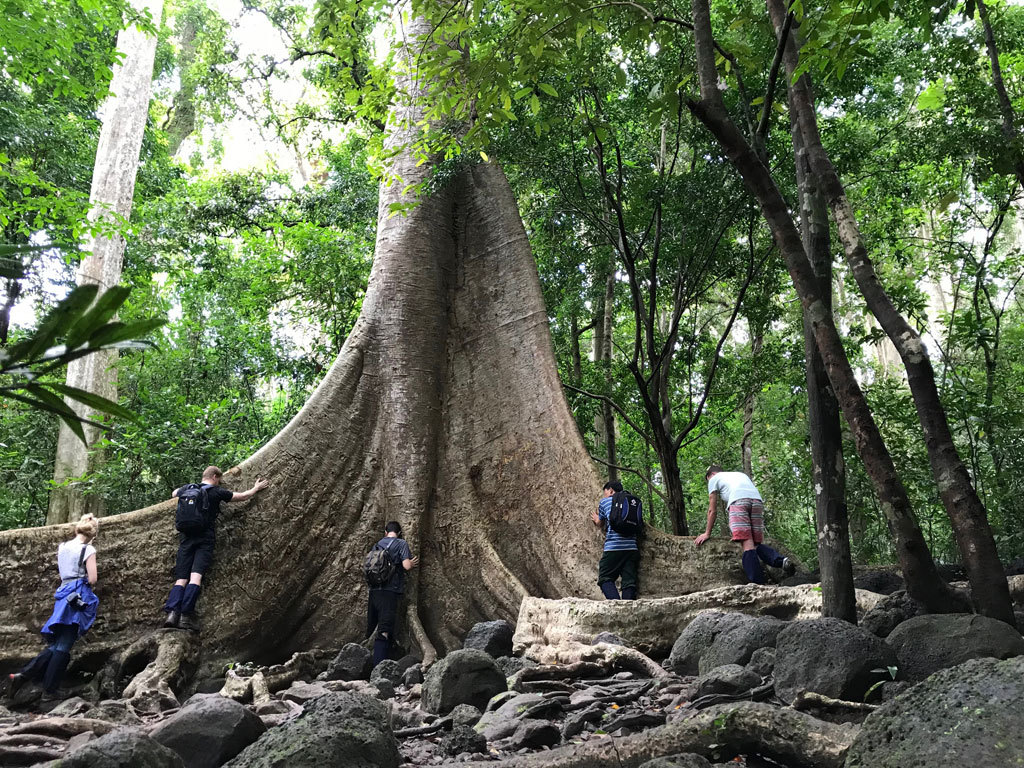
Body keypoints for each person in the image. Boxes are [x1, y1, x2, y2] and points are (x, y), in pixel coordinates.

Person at [6, 514, 100, 702]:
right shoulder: (88, 549)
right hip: (77, 596)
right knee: (64, 645)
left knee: (56, 644)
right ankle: (49, 691)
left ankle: (23, 676)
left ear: (76, 529)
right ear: (93, 534)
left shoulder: (63, 547)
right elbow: (92, 578)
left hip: (63, 594)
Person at [162, 466, 269, 631]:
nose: (219, 482)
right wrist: (256, 488)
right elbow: (242, 497)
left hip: (186, 538)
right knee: (195, 577)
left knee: (181, 579)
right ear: (214, 477)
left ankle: (171, 614)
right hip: (205, 538)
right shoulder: (217, 492)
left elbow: (174, 493)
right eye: (219, 479)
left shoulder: (188, 489)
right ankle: (185, 616)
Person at [694, 464, 795, 583]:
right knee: (755, 544)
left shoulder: (714, 479)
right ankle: (781, 561)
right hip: (757, 501)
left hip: (738, 502)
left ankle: (759, 585)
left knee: (747, 545)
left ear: (712, 475)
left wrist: (707, 533)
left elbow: (712, 510)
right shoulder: (738, 475)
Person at [366, 521, 419, 667]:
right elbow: (406, 566)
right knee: (384, 628)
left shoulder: (377, 544)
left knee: (372, 627)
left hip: (374, 590)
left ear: (385, 532)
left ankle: (373, 661)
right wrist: (412, 563)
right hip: (389, 592)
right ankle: (378, 667)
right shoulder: (401, 543)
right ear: (400, 533)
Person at [591, 480, 640, 600]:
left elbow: (600, 523)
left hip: (613, 548)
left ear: (611, 490)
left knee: (605, 577)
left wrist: (596, 518)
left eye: (605, 492)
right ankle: (628, 607)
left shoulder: (605, 502)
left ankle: (616, 605)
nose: (605, 495)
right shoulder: (632, 501)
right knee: (629, 581)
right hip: (632, 548)